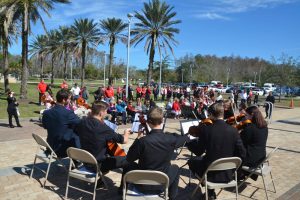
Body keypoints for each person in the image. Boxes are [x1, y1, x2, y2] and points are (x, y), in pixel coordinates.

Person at [121, 106, 190, 199]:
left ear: (148, 122)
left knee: (127, 165)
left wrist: (138, 137)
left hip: (140, 184)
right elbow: (184, 139)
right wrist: (189, 133)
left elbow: (129, 158)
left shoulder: (142, 141)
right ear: (162, 121)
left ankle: (121, 191)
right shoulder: (171, 139)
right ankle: (172, 197)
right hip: (162, 185)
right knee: (176, 168)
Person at [187, 102, 246, 199]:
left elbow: (198, 152)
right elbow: (242, 153)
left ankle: (209, 193)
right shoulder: (234, 130)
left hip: (210, 173)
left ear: (210, 114)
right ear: (222, 113)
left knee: (191, 161)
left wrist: (189, 143)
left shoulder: (206, 130)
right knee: (209, 161)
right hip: (228, 174)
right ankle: (210, 193)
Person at [74, 101, 130, 174]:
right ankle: (124, 185)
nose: (107, 113)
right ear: (101, 113)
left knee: (111, 145)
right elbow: (124, 140)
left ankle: (101, 181)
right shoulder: (103, 128)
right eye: (106, 111)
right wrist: (126, 133)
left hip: (85, 160)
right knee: (128, 159)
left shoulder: (82, 122)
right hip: (97, 164)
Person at [42, 89, 81, 158]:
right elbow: (80, 122)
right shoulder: (68, 113)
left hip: (50, 146)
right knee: (79, 134)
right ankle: (78, 160)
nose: (70, 101)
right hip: (61, 149)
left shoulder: (46, 113)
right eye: (69, 99)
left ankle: (75, 162)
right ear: (64, 100)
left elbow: (45, 126)